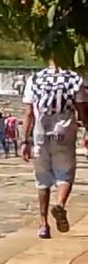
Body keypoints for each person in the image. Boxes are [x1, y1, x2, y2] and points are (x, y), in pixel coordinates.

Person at [21, 61, 88, 238]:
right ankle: (59, 203)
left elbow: (28, 113)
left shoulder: (34, 79)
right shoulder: (75, 79)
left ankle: (43, 224)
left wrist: (24, 141)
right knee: (65, 174)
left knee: (42, 180)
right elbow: (83, 111)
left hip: (40, 134)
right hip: (64, 133)